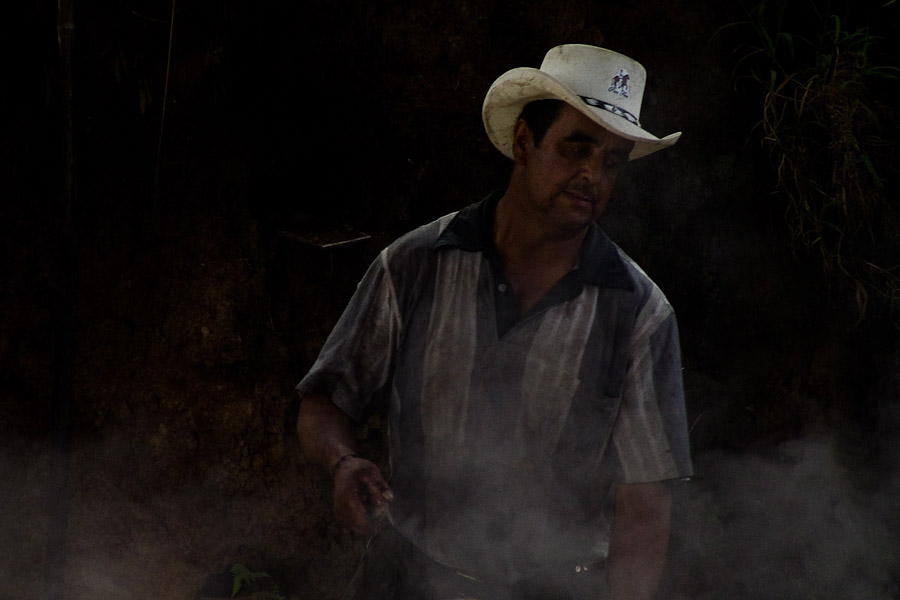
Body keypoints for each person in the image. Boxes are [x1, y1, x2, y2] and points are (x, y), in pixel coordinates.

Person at [297, 44, 693, 600]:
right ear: (524, 143)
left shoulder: (639, 314)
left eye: (610, 161)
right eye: (576, 148)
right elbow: (324, 402)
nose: (592, 176)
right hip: (407, 578)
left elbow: (645, 504)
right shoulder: (414, 265)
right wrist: (345, 460)